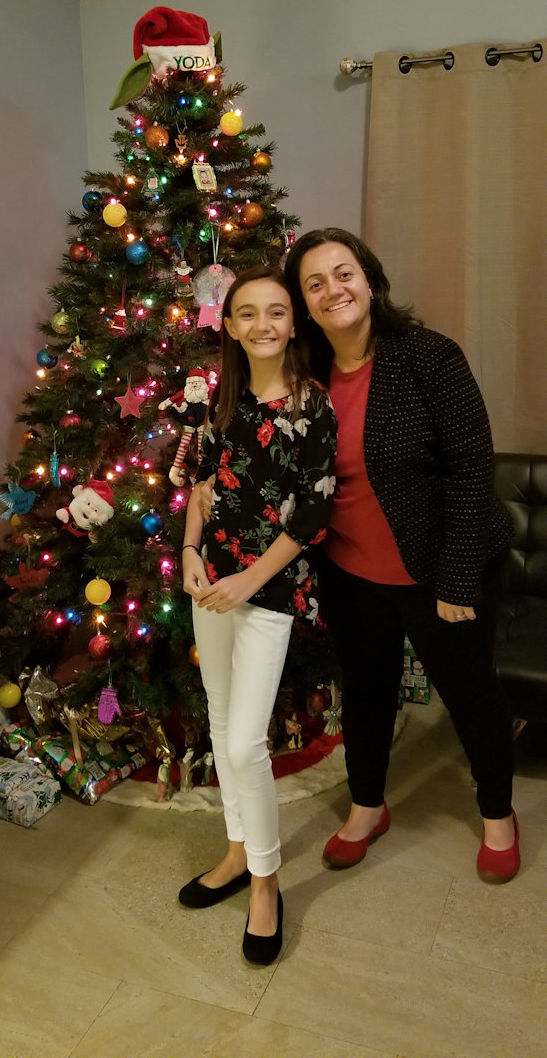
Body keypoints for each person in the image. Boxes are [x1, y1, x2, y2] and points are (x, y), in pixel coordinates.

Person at [283, 227, 518, 883]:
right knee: (365, 693)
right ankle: (367, 807)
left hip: (441, 567)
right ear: (304, 304)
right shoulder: (306, 375)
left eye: (343, 273)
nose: (333, 290)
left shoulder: (427, 357)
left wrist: (457, 579)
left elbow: (472, 469)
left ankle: (497, 813)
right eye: (314, 283)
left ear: (369, 278)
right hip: (351, 572)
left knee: (470, 693)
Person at [179, 265, 336, 964]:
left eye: (276, 311)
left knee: (245, 743)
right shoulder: (222, 400)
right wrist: (189, 550)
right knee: (219, 719)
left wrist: (249, 580)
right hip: (210, 582)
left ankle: (266, 883)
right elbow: (200, 486)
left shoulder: (312, 406)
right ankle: (238, 849)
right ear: (231, 326)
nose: (263, 324)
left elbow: (312, 516)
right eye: (248, 313)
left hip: (267, 589)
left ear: (293, 323)